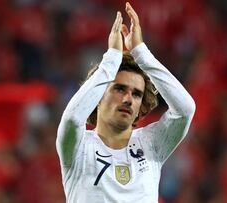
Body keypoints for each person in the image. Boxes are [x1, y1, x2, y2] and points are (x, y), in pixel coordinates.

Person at [56, 2, 196, 203]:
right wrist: (111, 59)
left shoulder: (152, 144)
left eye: (137, 94)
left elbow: (185, 110)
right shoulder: (79, 147)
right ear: (97, 96)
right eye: (119, 89)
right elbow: (71, 119)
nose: (128, 99)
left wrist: (141, 53)